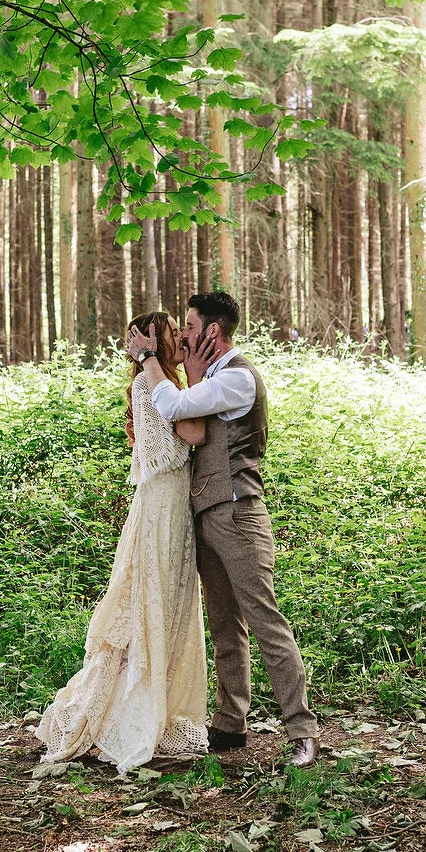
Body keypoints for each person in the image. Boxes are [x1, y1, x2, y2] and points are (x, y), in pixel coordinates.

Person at [127, 291, 319, 768]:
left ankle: (303, 733)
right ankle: (230, 725)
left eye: (189, 327)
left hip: (237, 514)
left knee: (265, 622)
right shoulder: (209, 377)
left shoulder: (237, 379)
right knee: (224, 627)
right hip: (203, 514)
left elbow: (173, 406)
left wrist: (150, 357)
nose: (185, 336)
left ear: (212, 331)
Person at [34, 312, 211, 773]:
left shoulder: (169, 382)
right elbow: (168, 453)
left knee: (172, 603)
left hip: (178, 507)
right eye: (171, 333)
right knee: (146, 600)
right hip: (159, 504)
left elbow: (187, 433)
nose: (178, 339)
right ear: (150, 342)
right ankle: (123, 710)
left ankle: (168, 706)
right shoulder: (145, 386)